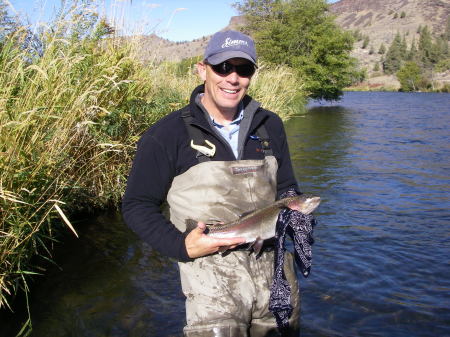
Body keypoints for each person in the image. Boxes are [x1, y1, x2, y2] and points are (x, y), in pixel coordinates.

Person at [122, 30, 301, 337]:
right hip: (211, 286)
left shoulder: (271, 125)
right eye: (222, 67)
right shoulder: (166, 135)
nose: (233, 78)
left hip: (277, 279)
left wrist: (298, 212)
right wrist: (179, 245)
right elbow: (136, 206)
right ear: (201, 68)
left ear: (251, 75)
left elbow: (286, 187)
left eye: (243, 69)